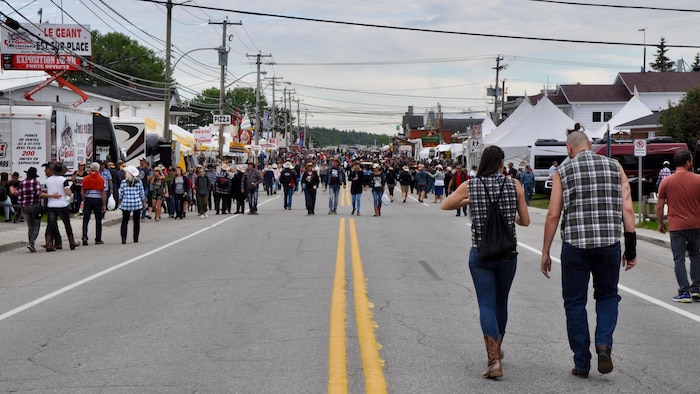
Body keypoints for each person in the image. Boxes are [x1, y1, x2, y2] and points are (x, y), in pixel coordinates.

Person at [540, 131, 637, 378]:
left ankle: (582, 363)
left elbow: (553, 214)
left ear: (569, 149)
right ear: (591, 145)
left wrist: (546, 251)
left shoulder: (563, 172)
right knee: (607, 296)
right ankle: (604, 344)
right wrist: (631, 247)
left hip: (575, 246)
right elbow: (627, 207)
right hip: (608, 245)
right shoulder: (615, 166)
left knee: (575, 303)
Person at [441, 145, 530, 379]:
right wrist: (508, 212)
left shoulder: (471, 185)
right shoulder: (515, 185)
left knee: (486, 305)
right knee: (502, 302)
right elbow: (526, 221)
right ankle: (497, 349)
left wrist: (469, 201)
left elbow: (445, 204)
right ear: (502, 163)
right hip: (508, 253)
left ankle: (493, 360)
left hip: (481, 252)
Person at [656, 150, 700, 303]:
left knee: (679, 259)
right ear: (688, 162)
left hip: (676, 226)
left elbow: (660, 205)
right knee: (696, 256)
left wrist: (660, 223)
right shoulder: (698, 179)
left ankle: (684, 292)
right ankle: (696, 289)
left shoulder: (667, 182)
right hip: (696, 224)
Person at [41, 162, 80, 252]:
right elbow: (68, 192)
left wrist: (52, 195)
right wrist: (70, 194)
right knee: (67, 224)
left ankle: (49, 243)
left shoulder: (48, 180)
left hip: (51, 205)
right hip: (62, 205)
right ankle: (71, 242)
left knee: (51, 224)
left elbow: (46, 192)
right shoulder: (63, 180)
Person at [118, 166, 146, 244]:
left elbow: (120, 194)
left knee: (124, 221)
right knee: (136, 221)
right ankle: (135, 238)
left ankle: (124, 238)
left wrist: (119, 203)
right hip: (136, 204)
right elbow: (142, 193)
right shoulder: (139, 182)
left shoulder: (123, 182)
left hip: (126, 204)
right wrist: (144, 203)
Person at [81, 162, 106, 246]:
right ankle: (98, 239)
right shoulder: (101, 179)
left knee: (86, 219)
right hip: (98, 199)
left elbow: (82, 191)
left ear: (91, 168)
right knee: (98, 219)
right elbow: (103, 192)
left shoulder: (85, 178)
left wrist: (84, 199)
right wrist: (104, 204)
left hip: (88, 199)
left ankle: (84, 237)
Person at [18, 167, 42, 252]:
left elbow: (20, 197)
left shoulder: (22, 183)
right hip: (34, 205)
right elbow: (39, 193)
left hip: (25, 206)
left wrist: (21, 209)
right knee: (36, 226)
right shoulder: (36, 182)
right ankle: (31, 243)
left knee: (30, 226)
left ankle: (30, 243)